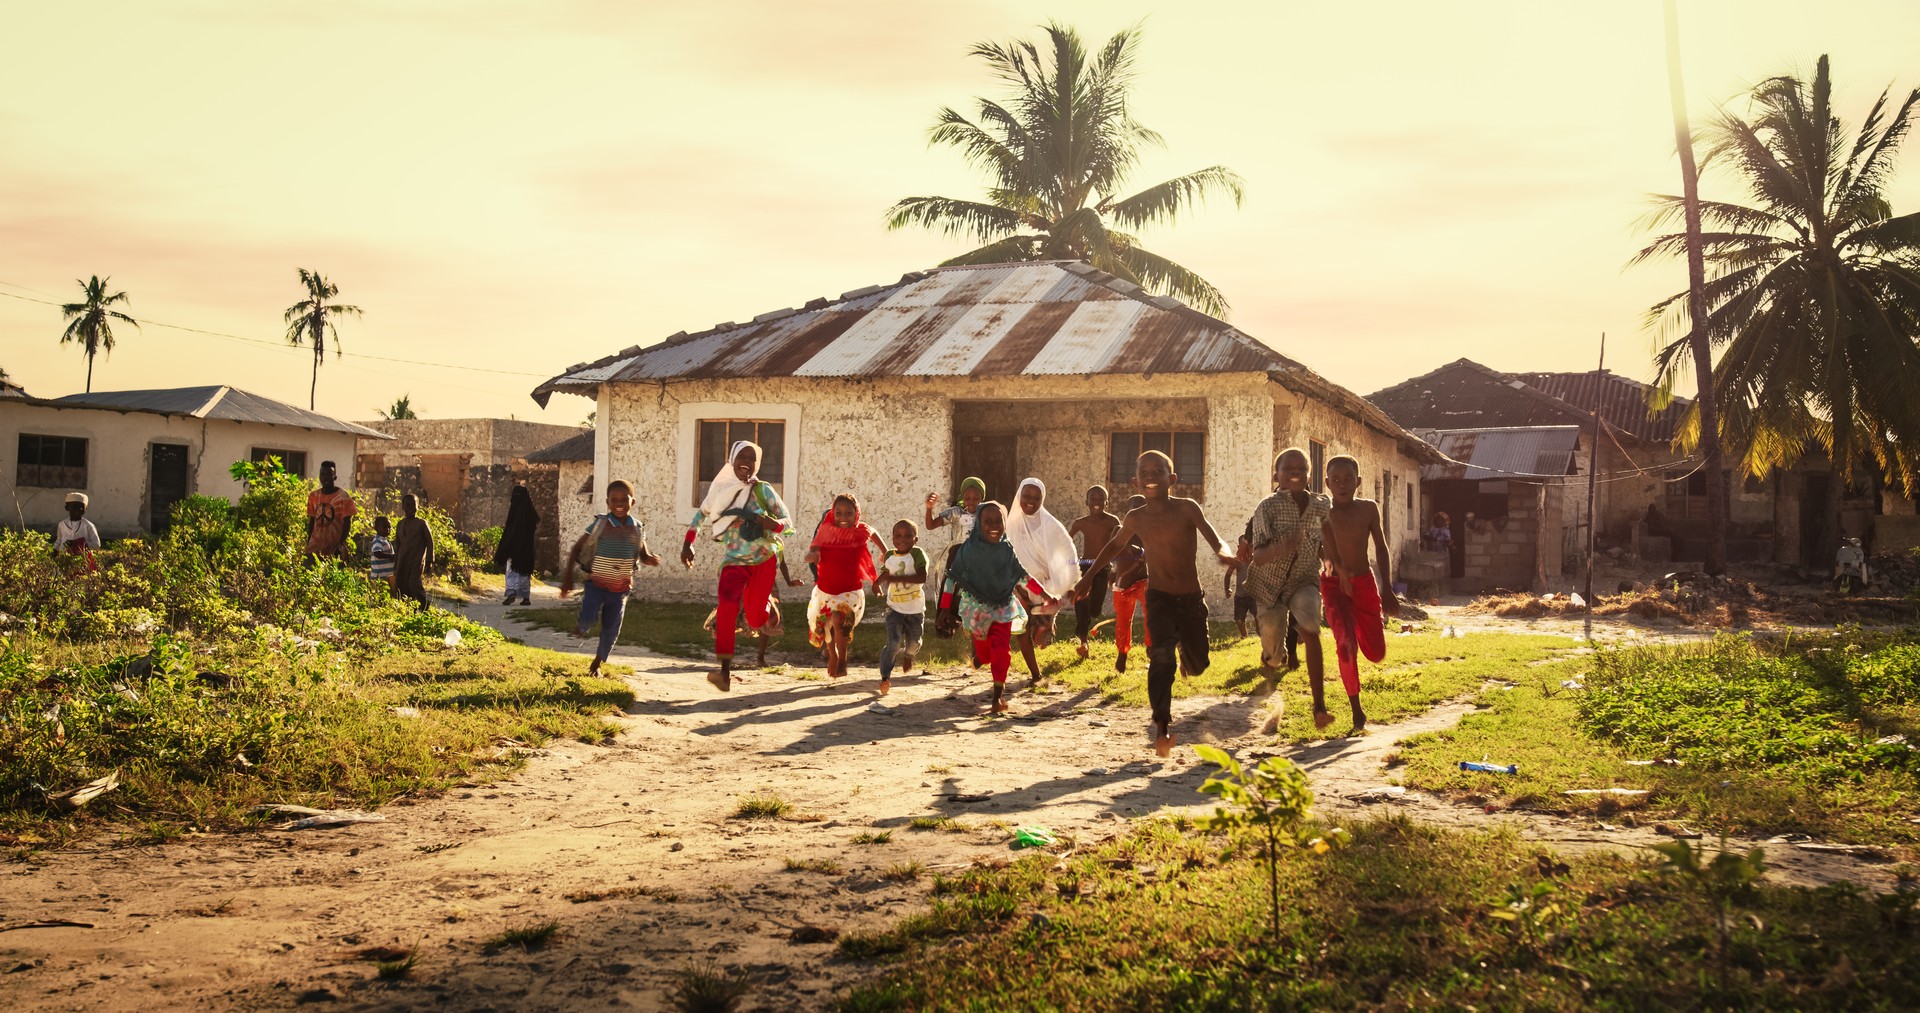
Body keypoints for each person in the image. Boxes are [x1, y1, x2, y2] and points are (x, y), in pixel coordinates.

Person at [1074, 451, 1238, 757]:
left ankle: (1188, 658)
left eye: (1158, 471)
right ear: (1136, 481)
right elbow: (1114, 546)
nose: (1151, 476)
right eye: (1144, 472)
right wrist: (1087, 578)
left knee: (1199, 664)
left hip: (1190, 600)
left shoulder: (1187, 509)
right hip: (1159, 598)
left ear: (1171, 479)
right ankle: (1162, 726)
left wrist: (1224, 553)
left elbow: (1215, 538)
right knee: (1161, 658)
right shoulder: (1136, 517)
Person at [683, 441, 791, 692]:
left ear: (757, 464)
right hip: (733, 562)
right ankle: (724, 672)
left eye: (752, 458)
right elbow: (700, 516)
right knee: (727, 607)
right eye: (741, 456)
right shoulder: (719, 490)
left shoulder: (763, 490)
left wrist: (770, 523)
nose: (746, 461)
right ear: (731, 459)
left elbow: (788, 522)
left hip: (763, 560)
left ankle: (768, 608)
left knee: (755, 618)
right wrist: (688, 543)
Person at [1242, 449, 1330, 735]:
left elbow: (1327, 539)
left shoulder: (1321, 505)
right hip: (1268, 585)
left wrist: (1332, 561)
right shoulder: (1266, 507)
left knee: (1311, 630)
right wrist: (1285, 545)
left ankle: (1319, 707)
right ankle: (1270, 657)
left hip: (1305, 579)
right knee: (1275, 655)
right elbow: (1258, 555)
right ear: (1275, 475)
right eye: (1287, 468)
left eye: (1301, 468)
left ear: (1309, 475)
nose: (1295, 472)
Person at [1319, 455, 1400, 732]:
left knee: (1376, 654)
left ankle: (1364, 638)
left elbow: (1381, 547)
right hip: (1332, 586)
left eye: (1349, 479)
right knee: (1345, 644)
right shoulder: (1321, 511)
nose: (1342, 484)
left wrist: (1387, 587)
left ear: (1359, 482)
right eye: (1336, 480)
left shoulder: (1368, 509)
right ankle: (1357, 710)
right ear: (1327, 483)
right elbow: (1314, 547)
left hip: (1364, 584)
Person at [561, 479, 659, 676]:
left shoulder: (638, 528)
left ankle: (596, 665)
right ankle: (583, 625)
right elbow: (577, 548)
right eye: (614, 500)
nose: (619, 503)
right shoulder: (601, 524)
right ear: (607, 502)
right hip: (597, 585)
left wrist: (649, 558)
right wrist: (568, 579)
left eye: (624, 499)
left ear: (633, 502)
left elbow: (642, 552)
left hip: (620, 590)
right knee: (588, 618)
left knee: (611, 630)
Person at [949, 502, 1027, 714]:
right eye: (987, 521)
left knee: (1002, 651)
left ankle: (997, 696)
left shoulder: (1007, 549)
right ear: (978, 524)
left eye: (998, 521)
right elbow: (952, 578)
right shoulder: (969, 550)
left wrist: (1045, 595)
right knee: (985, 656)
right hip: (977, 610)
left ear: (1005, 523)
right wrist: (945, 608)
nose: (993, 526)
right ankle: (979, 658)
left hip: (1003, 607)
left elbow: (1022, 576)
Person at [804, 494, 887, 679]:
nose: (843, 517)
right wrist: (812, 555)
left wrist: (885, 552)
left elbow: (873, 532)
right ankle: (832, 654)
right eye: (839, 512)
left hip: (850, 591)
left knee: (838, 619)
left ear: (856, 514)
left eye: (849, 513)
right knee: (827, 627)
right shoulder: (825, 531)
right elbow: (815, 549)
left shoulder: (861, 530)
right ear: (833, 513)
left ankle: (842, 659)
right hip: (825, 591)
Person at [1004, 478, 1076, 683]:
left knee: (1040, 637)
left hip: (1044, 589)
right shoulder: (1011, 523)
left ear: (1042, 499)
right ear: (1019, 496)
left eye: (1036, 498)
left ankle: (1045, 625)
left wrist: (1066, 583)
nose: (1030, 501)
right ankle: (1036, 674)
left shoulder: (1051, 525)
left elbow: (1067, 552)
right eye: (1026, 496)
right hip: (1017, 587)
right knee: (1021, 630)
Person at [926, 477, 987, 638]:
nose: (971, 502)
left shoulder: (986, 512)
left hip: (978, 555)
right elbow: (930, 525)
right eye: (967, 498)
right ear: (962, 497)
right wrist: (929, 508)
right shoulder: (955, 512)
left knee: (976, 589)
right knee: (950, 585)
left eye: (976, 498)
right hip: (958, 554)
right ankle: (944, 622)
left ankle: (977, 622)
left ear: (982, 498)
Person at [874, 519, 928, 696]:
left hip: (915, 611)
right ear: (892, 538)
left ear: (915, 539)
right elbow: (886, 571)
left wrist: (899, 580)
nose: (902, 539)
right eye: (898, 536)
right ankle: (885, 677)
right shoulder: (890, 555)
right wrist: (877, 583)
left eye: (907, 536)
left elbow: (922, 577)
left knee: (913, 644)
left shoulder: (918, 554)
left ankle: (909, 655)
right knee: (893, 644)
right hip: (894, 609)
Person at [1067, 485, 1121, 659]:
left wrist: (1116, 568)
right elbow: (1066, 541)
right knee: (1082, 604)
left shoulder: (1113, 522)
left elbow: (1118, 545)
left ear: (1106, 502)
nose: (1096, 503)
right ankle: (1083, 642)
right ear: (1087, 502)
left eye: (1100, 500)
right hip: (1084, 566)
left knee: (1095, 609)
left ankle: (1089, 617)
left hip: (1102, 568)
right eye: (1093, 499)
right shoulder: (1080, 522)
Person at [1108, 494, 1150, 672]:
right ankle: (1122, 654)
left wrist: (1141, 552)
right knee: (1123, 621)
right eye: (1133, 509)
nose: (1137, 514)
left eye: (1141, 509)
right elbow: (1112, 552)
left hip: (1144, 581)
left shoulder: (1150, 529)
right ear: (1128, 513)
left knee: (1151, 616)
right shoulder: (1119, 529)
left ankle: (1151, 650)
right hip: (1123, 582)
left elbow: (1153, 554)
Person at [494, 485, 539, 606]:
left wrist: (505, 548)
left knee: (511, 570)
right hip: (526, 550)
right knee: (524, 572)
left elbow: (510, 532)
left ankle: (511, 593)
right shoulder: (530, 513)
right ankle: (525, 597)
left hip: (513, 549)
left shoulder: (514, 512)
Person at [304, 460, 357, 559]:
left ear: (335, 477)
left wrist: (340, 544)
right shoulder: (313, 496)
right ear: (319, 477)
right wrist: (308, 542)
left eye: (329, 474)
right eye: (323, 474)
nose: (326, 478)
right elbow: (312, 521)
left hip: (334, 547)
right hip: (315, 547)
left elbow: (347, 523)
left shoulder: (343, 496)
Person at [392, 493, 434, 611]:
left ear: (418, 506)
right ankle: (408, 609)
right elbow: (398, 544)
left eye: (413, 504)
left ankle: (424, 606)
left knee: (413, 584)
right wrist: (396, 563)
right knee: (401, 584)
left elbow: (430, 542)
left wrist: (430, 560)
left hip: (416, 561)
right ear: (403, 507)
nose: (410, 507)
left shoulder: (421, 523)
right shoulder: (400, 524)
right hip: (402, 561)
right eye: (407, 504)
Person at [55, 492, 101, 572]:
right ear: (67, 508)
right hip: (64, 559)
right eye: (74, 507)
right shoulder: (62, 525)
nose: (77, 510)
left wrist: (77, 545)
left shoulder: (88, 526)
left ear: (85, 509)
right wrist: (55, 550)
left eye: (81, 507)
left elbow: (96, 544)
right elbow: (59, 540)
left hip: (82, 560)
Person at [369, 516, 396, 591]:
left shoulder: (385, 540)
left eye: (389, 527)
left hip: (387, 574)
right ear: (377, 528)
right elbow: (377, 553)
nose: (387, 529)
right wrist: (390, 556)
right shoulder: (378, 540)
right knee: (380, 593)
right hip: (380, 575)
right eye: (384, 527)